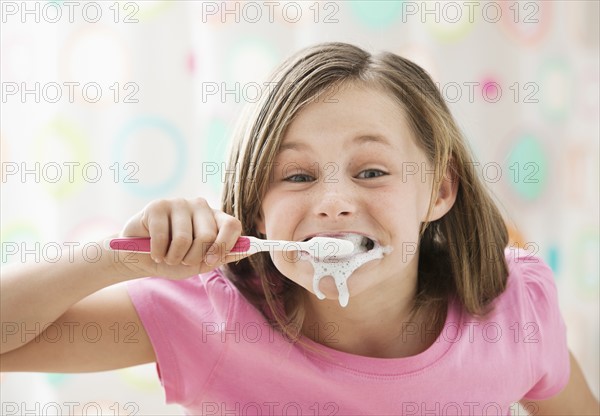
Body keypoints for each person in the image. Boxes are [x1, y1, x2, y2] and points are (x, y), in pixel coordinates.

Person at [1, 42, 598, 415]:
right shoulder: (209, 316)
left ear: (438, 191)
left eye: (370, 170)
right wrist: (118, 259)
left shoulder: (515, 308)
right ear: (255, 211)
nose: (335, 202)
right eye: (296, 176)